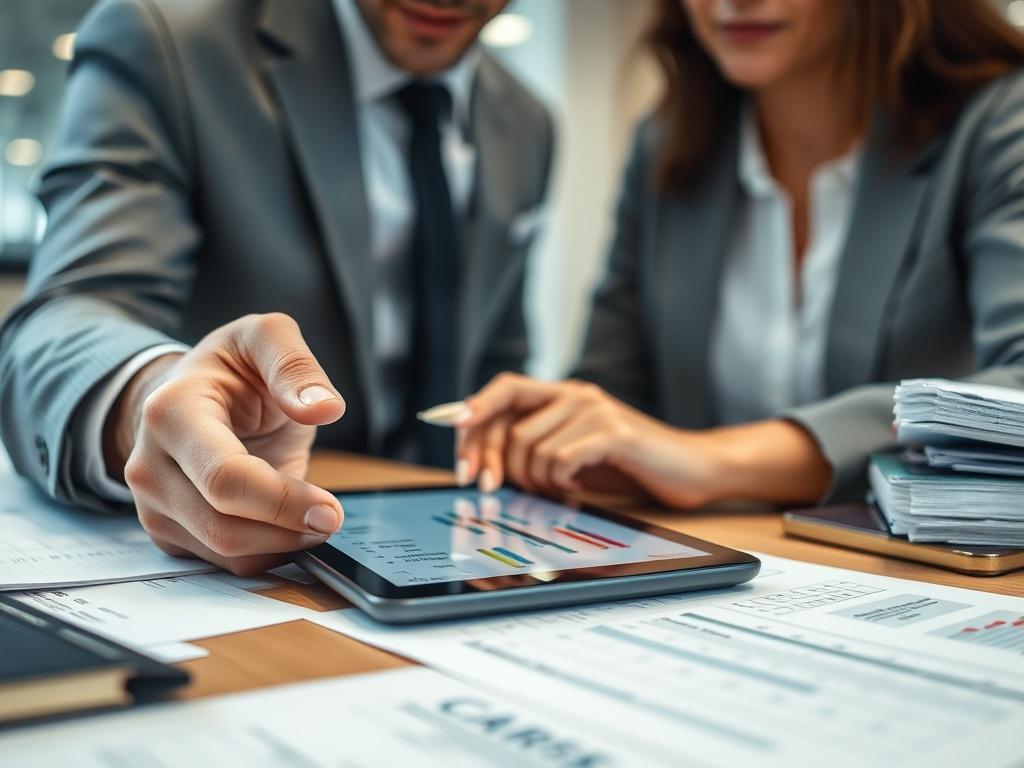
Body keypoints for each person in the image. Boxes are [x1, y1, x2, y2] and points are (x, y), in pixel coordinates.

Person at [0, 0, 553, 575]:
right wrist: (149, 398)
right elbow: (65, 314)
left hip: (453, 555)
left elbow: (493, 352)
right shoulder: (168, 41)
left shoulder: (528, 122)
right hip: (249, 552)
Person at [456, 0, 1024, 511]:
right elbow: (617, 395)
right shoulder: (666, 143)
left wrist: (711, 461)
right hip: (717, 574)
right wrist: (559, 437)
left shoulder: (1000, 122)